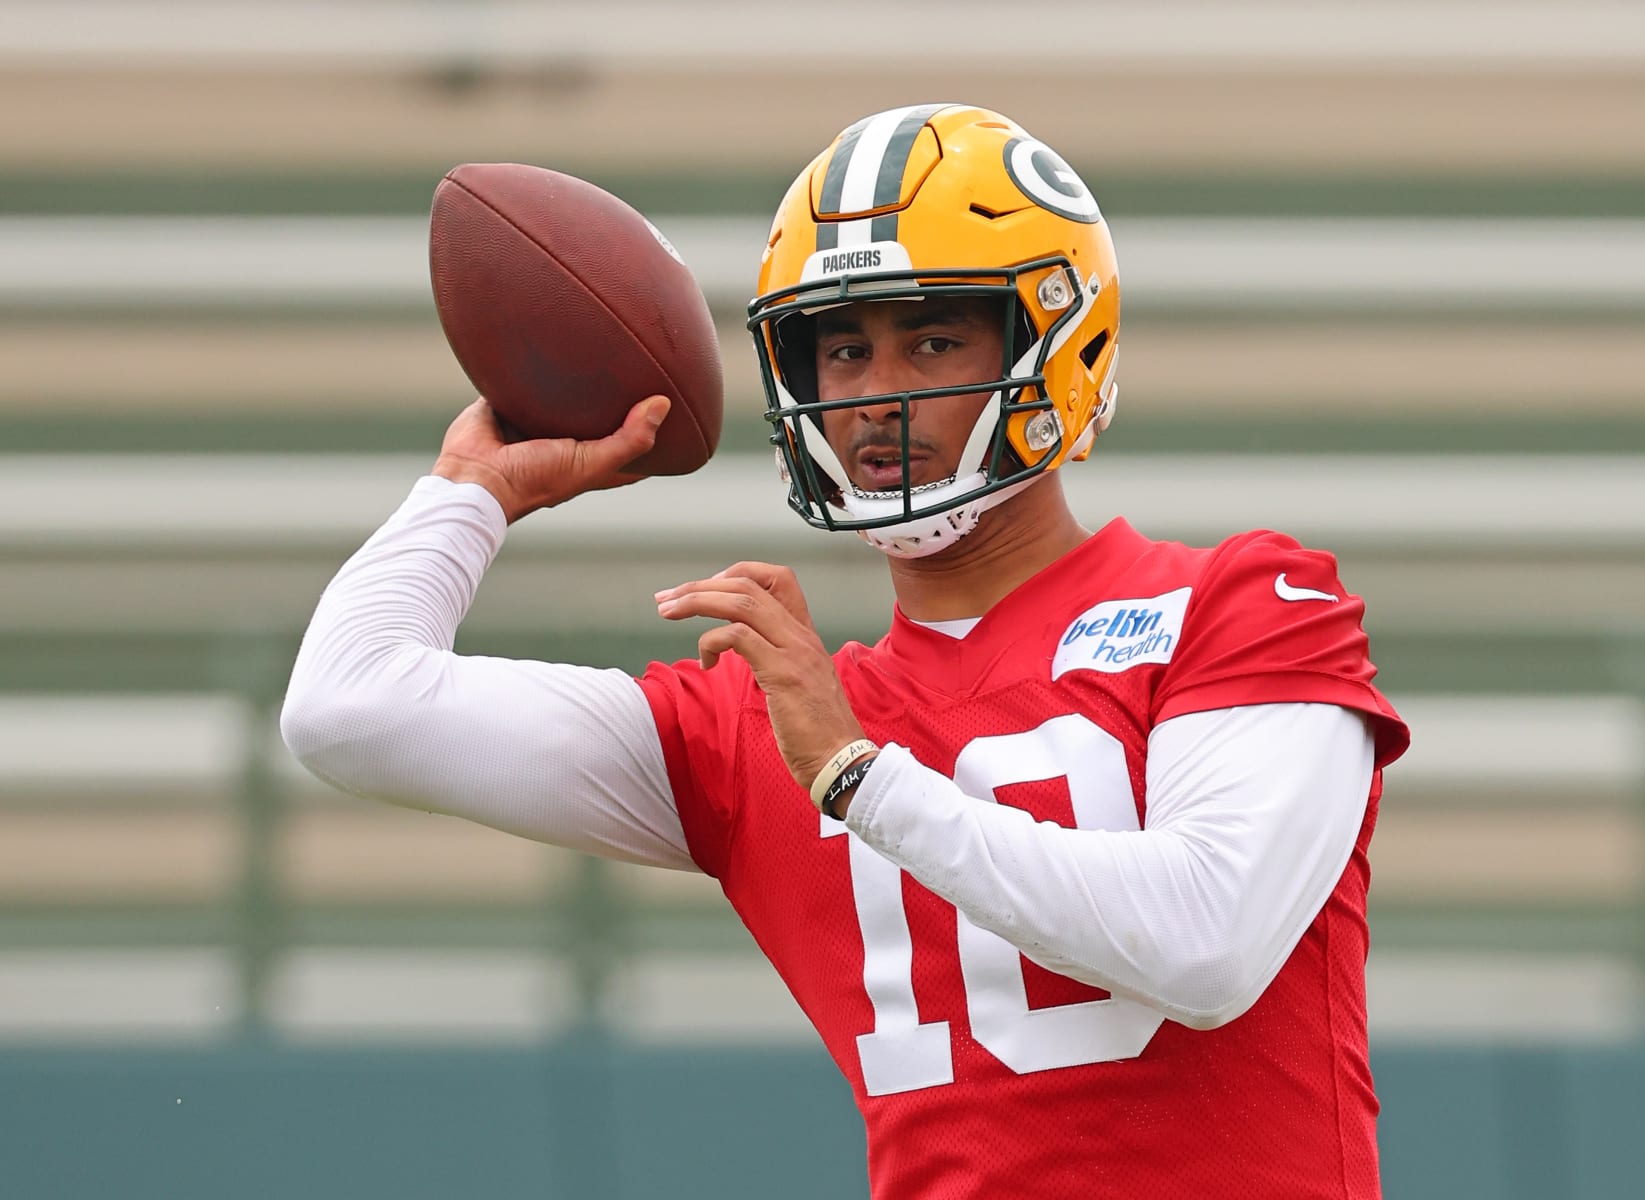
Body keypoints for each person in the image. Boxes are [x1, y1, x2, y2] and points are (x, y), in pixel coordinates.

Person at [282, 103, 1409, 1199]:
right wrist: (467, 497)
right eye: (840, 351)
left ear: (1055, 342)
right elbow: (348, 710)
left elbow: (1204, 945)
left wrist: (859, 778)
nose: (874, 398)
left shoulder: (1247, 599)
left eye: (929, 339)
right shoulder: (769, 720)